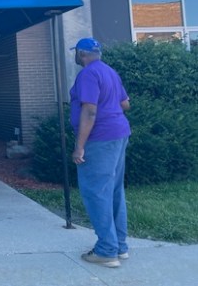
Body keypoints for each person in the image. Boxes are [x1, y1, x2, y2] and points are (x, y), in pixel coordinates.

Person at [70, 37, 131, 268]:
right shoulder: (109, 72)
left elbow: (90, 111)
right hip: (119, 134)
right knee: (114, 190)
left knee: (96, 192)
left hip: (99, 139)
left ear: (81, 53)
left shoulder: (87, 74)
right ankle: (120, 246)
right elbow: (126, 104)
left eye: (76, 52)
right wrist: (109, 103)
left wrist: (79, 146)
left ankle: (106, 251)